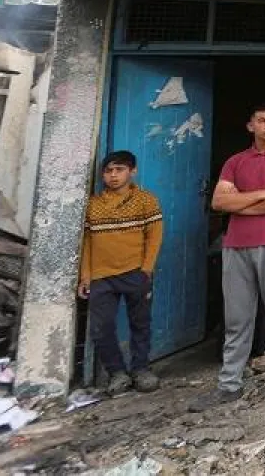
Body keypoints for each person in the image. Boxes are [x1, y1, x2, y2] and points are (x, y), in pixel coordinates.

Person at [190, 103, 265, 410]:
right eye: (262, 120)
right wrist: (262, 194)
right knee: (237, 318)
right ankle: (229, 384)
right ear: (250, 126)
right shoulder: (235, 162)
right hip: (236, 246)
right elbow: (219, 202)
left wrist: (241, 205)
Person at [79, 150, 163, 395]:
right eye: (108, 171)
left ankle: (141, 370)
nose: (113, 176)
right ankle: (117, 373)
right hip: (101, 277)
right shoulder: (93, 205)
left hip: (135, 272)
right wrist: (86, 276)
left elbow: (154, 237)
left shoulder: (146, 200)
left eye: (120, 170)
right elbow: (86, 242)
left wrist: (146, 269)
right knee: (101, 327)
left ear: (132, 171)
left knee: (140, 323)